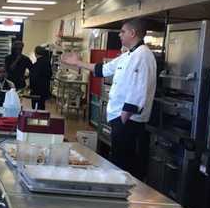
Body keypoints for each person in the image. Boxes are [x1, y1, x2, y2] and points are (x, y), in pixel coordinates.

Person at [62, 18, 156, 179]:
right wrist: (78, 63)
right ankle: (117, 186)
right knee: (118, 157)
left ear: (132, 33)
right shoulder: (127, 55)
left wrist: (124, 117)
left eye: (123, 32)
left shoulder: (143, 55)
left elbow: (140, 88)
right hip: (118, 116)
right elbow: (103, 70)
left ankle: (126, 192)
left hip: (129, 118)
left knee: (125, 162)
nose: (119, 35)